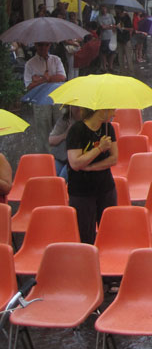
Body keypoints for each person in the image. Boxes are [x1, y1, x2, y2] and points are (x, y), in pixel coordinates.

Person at [66, 107, 118, 244]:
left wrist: (91, 167)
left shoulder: (108, 128)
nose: (114, 113)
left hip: (105, 188)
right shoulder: (77, 130)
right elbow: (75, 163)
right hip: (81, 192)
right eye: (111, 109)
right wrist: (99, 148)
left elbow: (114, 159)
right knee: (85, 236)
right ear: (101, 110)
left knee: (110, 234)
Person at [24, 41, 67, 153]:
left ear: (50, 45)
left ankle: (60, 156)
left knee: (60, 127)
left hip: (57, 98)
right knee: (43, 131)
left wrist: (42, 79)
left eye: (46, 45)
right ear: (35, 45)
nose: (43, 47)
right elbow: (29, 86)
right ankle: (45, 158)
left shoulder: (56, 59)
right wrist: (45, 79)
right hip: (40, 100)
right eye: (40, 45)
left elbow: (62, 77)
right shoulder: (30, 64)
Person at [49, 105, 84, 179]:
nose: (78, 109)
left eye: (81, 106)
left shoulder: (90, 121)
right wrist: (65, 135)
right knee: (50, 174)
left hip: (77, 160)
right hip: (61, 158)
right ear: (69, 107)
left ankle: (61, 189)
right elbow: (51, 140)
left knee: (62, 177)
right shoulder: (64, 120)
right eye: (75, 106)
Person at [97, 5, 117, 72]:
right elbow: (102, 27)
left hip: (111, 36)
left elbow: (114, 25)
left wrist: (108, 26)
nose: (103, 10)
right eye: (102, 9)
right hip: (104, 37)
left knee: (112, 52)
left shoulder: (111, 16)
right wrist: (109, 26)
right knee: (104, 52)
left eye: (104, 8)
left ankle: (110, 66)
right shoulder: (99, 18)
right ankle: (104, 67)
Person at [114, 7, 133, 72]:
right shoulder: (116, 18)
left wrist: (123, 28)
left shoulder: (127, 18)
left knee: (128, 56)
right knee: (120, 56)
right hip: (119, 39)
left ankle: (131, 71)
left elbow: (131, 28)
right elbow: (114, 28)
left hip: (126, 39)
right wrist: (116, 27)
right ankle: (122, 70)